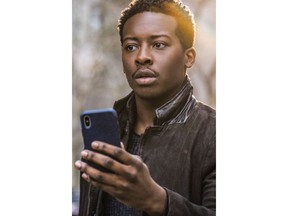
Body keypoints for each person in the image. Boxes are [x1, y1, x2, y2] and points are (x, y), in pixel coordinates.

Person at [74, 0, 216, 215]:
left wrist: (157, 201)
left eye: (158, 44)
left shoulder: (214, 134)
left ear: (189, 58)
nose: (141, 57)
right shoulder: (105, 132)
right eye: (131, 46)